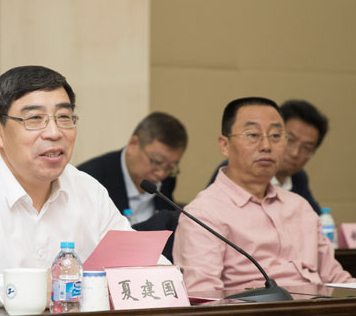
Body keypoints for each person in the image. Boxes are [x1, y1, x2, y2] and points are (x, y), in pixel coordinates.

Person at [0, 65, 171, 307]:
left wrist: (167, 276)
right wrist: (18, 289)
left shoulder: (87, 190)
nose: (54, 132)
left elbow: (147, 265)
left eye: (64, 117)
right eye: (34, 119)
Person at [173, 97, 354, 292]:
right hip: (256, 311)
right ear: (225, 145)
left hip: (321, 308)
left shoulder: (300, 207)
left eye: (276, 135)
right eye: (253, 135)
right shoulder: (203, 214)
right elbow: (204, 296)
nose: (266, 146)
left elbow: (336, 278)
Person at [207, 99, 328, 214]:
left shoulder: (298, 177)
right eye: (290, 140)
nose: (295, 153)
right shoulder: (234, 170)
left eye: (306, 148)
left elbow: (319, 219)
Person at [78, 112, 187, 224]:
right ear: (133, 144)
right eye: (157, 161)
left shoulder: (168, 180)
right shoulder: (90, 178)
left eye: (171, 167)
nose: (161, 174)